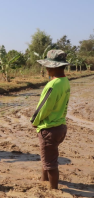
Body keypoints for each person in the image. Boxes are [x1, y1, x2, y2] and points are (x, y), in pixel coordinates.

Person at [30, 50, 70, 190]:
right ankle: (44, 180)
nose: (46, 69)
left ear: (54, 67)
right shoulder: (65, 81)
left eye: (48, 66)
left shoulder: (53, 85)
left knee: (51, 163)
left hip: (49, 128)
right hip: (60, 126)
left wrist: (34, 122)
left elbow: (43, 107)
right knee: (46, 157)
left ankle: (53, 191)